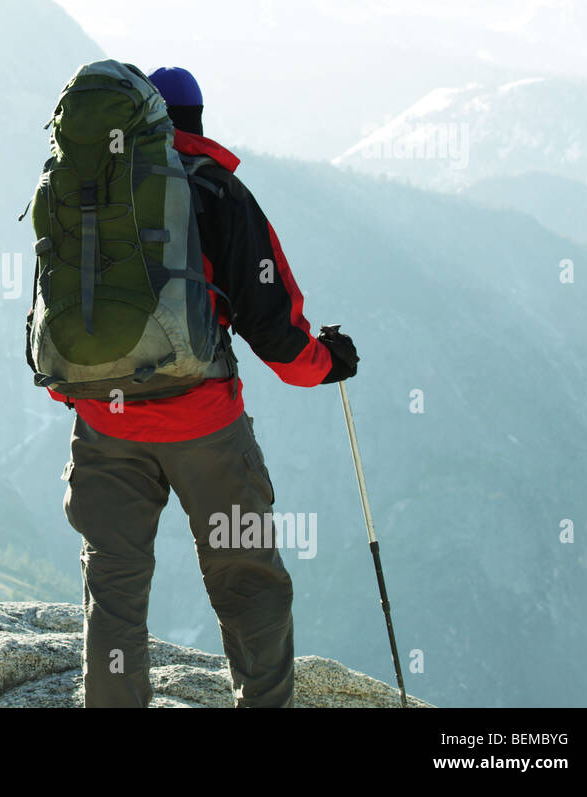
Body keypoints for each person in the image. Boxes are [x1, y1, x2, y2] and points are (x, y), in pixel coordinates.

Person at [50, 65, 359, 707]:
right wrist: (328, 361)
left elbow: (64, 307)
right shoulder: (218, 192)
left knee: (113, 585)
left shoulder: (88, 188)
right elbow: (275, 330)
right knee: (246, 578)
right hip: (203, 425)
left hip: (104, 423)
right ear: (194, 119)